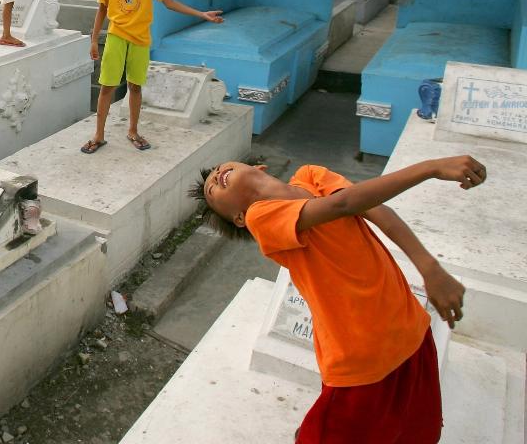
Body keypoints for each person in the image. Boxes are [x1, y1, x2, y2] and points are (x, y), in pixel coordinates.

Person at [191, 155, 484, 442]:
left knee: (415, 430)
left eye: (218, 168)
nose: (216, 176)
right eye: (211, 190)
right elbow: (345, 203)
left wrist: (429, 267)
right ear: (239, 219)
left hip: (410, 329)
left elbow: (373, 207)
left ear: (259, 167)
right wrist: (430, 167)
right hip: (360, 358)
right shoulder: (262, 218)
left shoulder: (311, 174)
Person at [82, 0, 224, 154]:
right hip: (116, 37)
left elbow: (169, 2)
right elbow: (102, 9)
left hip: (140, 40)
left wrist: (202, 15)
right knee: (107, 87)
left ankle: (133, 131)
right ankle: (98, 135)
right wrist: (93, 40)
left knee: (135, 87)